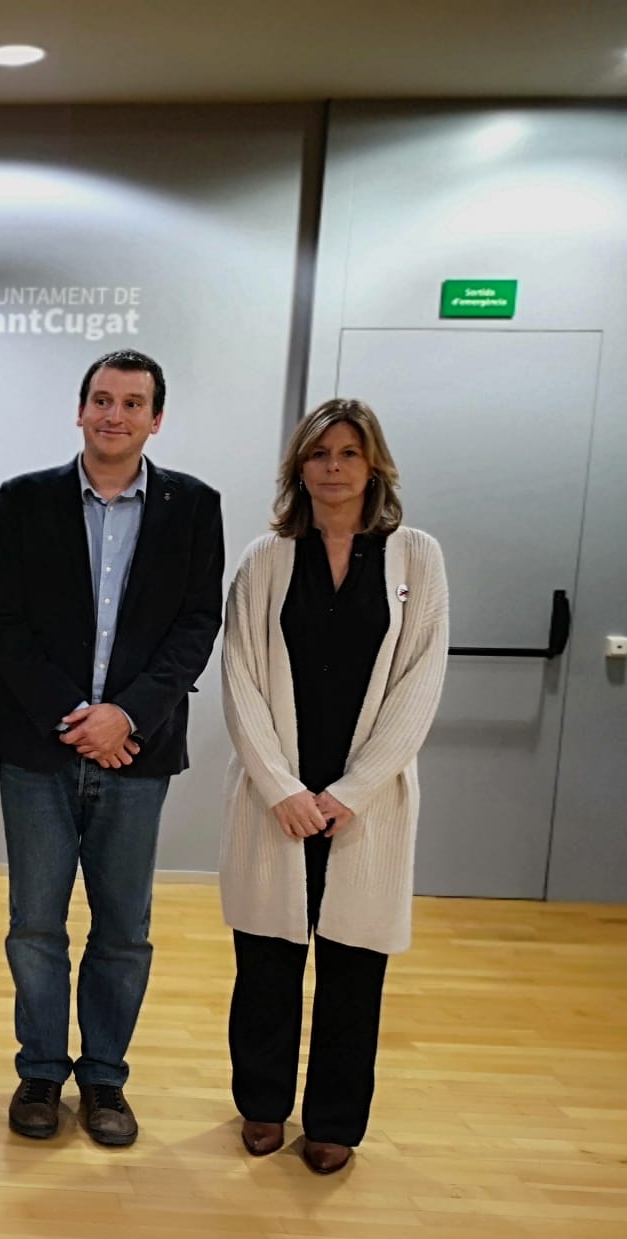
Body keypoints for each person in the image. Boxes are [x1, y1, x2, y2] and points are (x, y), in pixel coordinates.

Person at [0, 349, 223, 1148]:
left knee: (123, 930)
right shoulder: (24, 500)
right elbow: (0, 620)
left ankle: (106, 1080)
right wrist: (77, 714)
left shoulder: (194, 506)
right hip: (40, 747)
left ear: (157, 419)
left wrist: (127, 717)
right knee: (35, 925)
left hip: (136, 754)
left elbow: (195, 628)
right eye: (102, 400)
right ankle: (42, 1072)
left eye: (133, 403)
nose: (115, 414)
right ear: (79, 410)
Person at [220, 398, 448, 1175]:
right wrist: (282, 786)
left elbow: (420, 684)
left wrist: (351, 791)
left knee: (353, 966)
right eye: (319, 455)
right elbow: (241, 680)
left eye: (349, 454)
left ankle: (334, 1123)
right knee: (267, 958)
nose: (334, 468)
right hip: (275, 799)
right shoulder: (266, 560)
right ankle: (261, 1105)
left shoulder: (417, 558)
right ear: (299, 468)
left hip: (365, 804)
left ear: (374, 464)